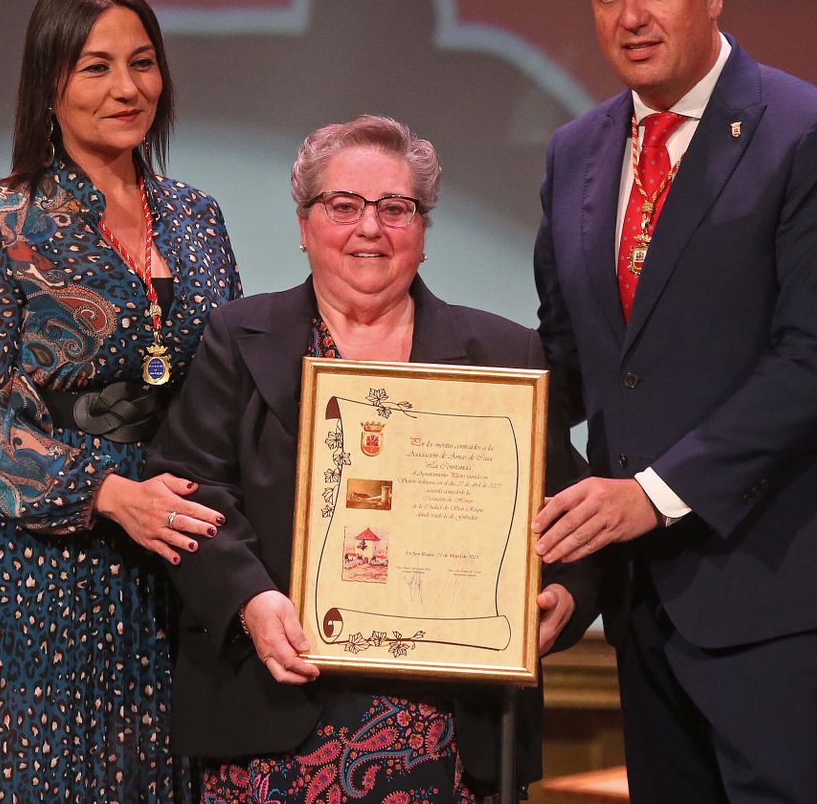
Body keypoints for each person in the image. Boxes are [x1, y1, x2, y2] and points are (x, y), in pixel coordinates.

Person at [529, 0, 817, 803]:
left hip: (786, 582)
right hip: (648, 595)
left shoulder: (814, 137)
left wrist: (652, 498)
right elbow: (569, 360)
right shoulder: (576, 152)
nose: (630, 19)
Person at [137, 115, 596, 803]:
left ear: (423, 230)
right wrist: (252, 601)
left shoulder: (505, 356)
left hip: (449, 731)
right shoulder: (238, 337)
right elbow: (189, 488)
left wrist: (565, 593)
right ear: (304, 224)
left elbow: (572, 512)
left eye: (395, 209)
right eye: (343, 206)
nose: (370, 229)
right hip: (271, 707)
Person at [0, 0, 240, 804]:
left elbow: (223, 382)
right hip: (28, 562)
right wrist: (109, 492)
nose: (127, 88)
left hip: (166, 551)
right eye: (96, 67)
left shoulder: (196, 215)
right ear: (49, 85)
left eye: (143, 62)